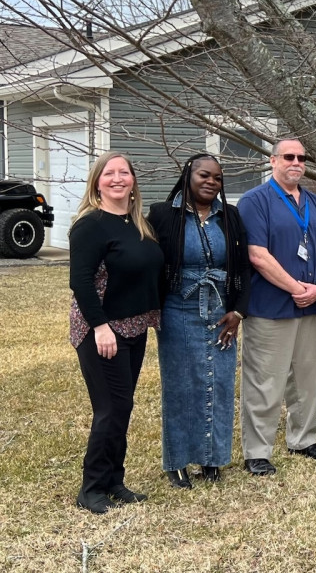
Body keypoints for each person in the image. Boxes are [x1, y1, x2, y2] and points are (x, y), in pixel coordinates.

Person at [68, 152, 164, 514]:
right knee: (110, 408)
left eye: (124, 172)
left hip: (134, 326)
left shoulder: (138, 224)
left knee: (123, 406)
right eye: (109, 173)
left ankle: (114, 480)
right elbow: (80, 281)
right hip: (102, 330)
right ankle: (91, 488)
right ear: (97, 182)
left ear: (133, 181)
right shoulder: (90, 225)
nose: (118, 178)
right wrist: (100, 327)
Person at [148, 154, 251, 488]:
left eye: (218, 178)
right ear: (188, 176)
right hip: (179, 307)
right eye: (204, 175)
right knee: (181, 384)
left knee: (219, 383)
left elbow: (244, 268)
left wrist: (238, 312)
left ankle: (211, 457)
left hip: (223, 310)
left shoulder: (230, 217)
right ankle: (177, 460)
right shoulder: (163, 215)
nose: (211, 182)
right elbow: (149, 262)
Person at [238, 139, 316, 475]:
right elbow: (257, 255)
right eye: (288, 156)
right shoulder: (256, 201)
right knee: (265, 381)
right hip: (271, 306)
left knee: (308, 378)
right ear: (273, 160)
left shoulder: (313, 200)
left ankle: (303, 439)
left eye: (301, 157)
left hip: (310, 304)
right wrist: (297, 288)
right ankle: (257, 451)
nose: (296, 162)